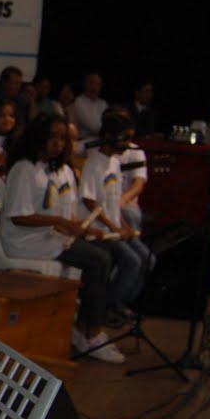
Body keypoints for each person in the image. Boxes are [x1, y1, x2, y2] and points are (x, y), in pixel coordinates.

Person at [0, 115, 123, 362]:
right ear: (38, 138)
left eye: (62, 138)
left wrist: (82, 228)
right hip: (27, 240)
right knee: (98, 260)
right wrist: (60, 223)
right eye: (52, 137)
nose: (58, 143)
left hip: (51, 237)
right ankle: (92, 334)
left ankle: (82, 326)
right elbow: (19, 217)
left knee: (107, 252)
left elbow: (64, 214)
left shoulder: (59, 169)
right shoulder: (24, 168)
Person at [79, 108, 149, 318]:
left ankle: (119, 301)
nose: (127, 144)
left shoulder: (115, 163)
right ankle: (107, 306)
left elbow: (114, 203)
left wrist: (124, 227)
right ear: (109, 136)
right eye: (124, 138)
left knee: (147, 257)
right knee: (132, 261)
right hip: (98, 230)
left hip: (112, 227)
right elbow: (89, 201)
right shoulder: (93, 163)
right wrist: (113, 227)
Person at [70, 73, 105, 141]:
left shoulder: (103, 103)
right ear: (85, 84)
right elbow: (93, 126)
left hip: (101, 140)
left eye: (98, 84)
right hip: (84, 140)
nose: (94, 87)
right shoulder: (78, 102)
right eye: (91, 83)